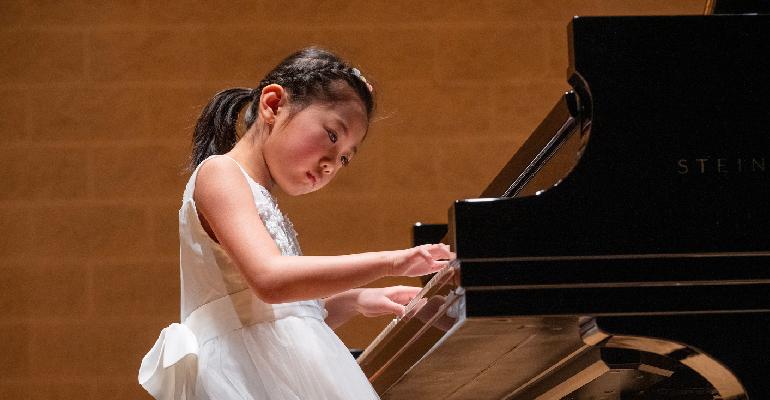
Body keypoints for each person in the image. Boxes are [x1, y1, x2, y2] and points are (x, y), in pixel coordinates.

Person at [138, 47, 453, 400]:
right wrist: (391, 262)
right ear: (273, 105)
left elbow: (278, 322)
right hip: (239, 382)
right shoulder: (220, 173)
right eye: (333, 136)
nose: (332, 164)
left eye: (345, 157)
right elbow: (271, 281)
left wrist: (357, 300)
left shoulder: (258, 196)